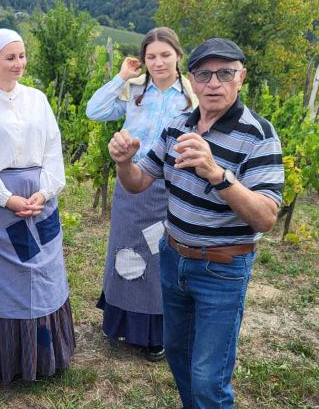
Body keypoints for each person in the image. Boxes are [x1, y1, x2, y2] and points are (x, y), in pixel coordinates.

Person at [108, 38, 283, 408]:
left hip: (221, 269)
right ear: (192, 78)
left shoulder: (258, 136)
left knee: (208, 378)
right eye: (204, 74)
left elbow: (266, 217)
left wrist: (216, 173)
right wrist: (124, 162)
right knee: (179, 357)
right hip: (173, 260)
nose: (214, 83)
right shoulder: (177, 127)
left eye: (225, 73)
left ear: (241, 77)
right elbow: (139, 183)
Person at [0, 28, 75, 382]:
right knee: (3, 280)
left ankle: (43, 355)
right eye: (10, 57)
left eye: (22, 56)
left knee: (42, 273)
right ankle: (0, 359)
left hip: (39, 201)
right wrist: (6, 197)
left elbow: (53, 149)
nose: (18, 63)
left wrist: (46, 190)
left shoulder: (37, 99)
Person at [86, 27, 196, 362]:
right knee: (125, 250)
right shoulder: (134, 91)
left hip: (173, 187)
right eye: (151, 56)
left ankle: (157, 334)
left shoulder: (191, 97)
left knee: (159, 256)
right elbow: (94, 110)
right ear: (144, 60)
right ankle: (123, 322)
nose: (158, 62)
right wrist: (121, 76)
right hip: (132, 181)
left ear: (178, 55)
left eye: (165, 55)